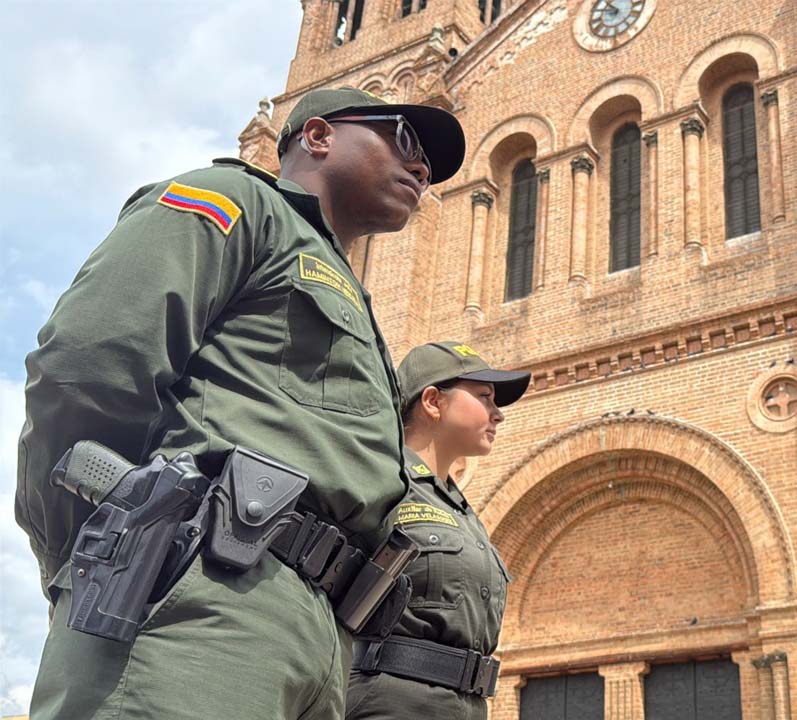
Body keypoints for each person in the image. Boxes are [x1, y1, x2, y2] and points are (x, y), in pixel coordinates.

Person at [16, 87, 467, 719]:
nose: (421, 168)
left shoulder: (345, 283)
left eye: (428, 163)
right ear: (318, 136)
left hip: (314, 635)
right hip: (201, 596)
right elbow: (88, 368)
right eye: (405, 139)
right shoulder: (236, 200)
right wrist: (96, 555)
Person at [345, 341, 530, 720]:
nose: (498, 415)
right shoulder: (379, 481)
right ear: (433, 401)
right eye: (484, 397)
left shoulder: (461, 511)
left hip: (465, 706)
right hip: (389, 704)